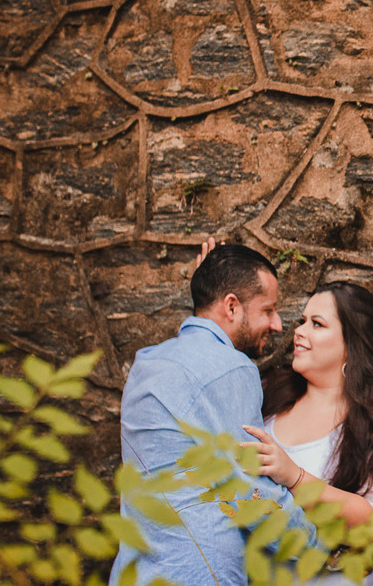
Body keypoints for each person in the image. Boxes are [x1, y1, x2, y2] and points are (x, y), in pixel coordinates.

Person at [109, 244, 316, 586]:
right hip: (196, 572)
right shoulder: (230, 369)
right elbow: (249, 490)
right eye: (268, 309)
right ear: (231, 306)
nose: (277, 324)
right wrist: (318, 546)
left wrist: (215, 271)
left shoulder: (147, 363)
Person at [241, 281, 373, 586]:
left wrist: (295, 477)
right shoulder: (266, 395)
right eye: (302, 321)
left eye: (317, 324)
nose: (299, 331)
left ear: (353, 344)